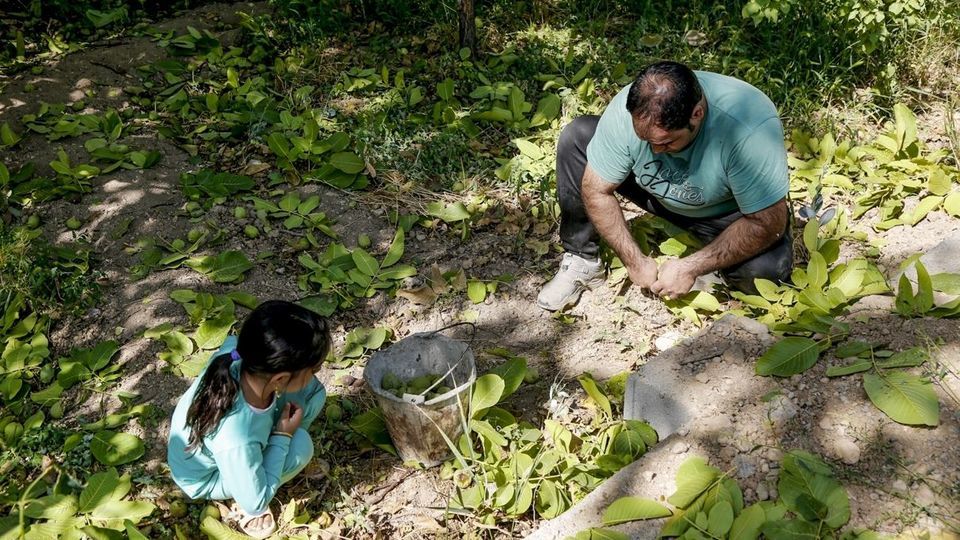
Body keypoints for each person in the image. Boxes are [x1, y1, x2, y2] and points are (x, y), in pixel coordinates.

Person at [538, 61, 793, 311]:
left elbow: (767, 222)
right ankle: (582, 260)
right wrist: (634, 261)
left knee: (766, 276)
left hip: (722, 211)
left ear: (697, 114)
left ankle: (712, 271)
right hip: (655, 190)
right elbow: (596, 189)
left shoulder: (748, 128)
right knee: (577, 136)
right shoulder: (628, 111)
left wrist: (690, 267)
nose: (655, 151)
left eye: (667, 142)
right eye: (644, 140)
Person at [167, 300, 331, 538]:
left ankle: (274, 445)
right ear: (280, 379)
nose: (315, 375)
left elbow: (308, 388)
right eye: (312, 370)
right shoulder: (236, 437)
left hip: (242, 434)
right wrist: (283, 436)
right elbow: (255, 500)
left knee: (312, 393)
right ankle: (250, 483)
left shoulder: (238, 352)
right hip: (208, 476)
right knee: (301, 445)